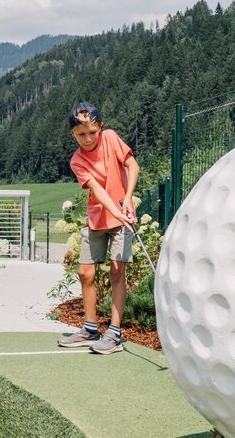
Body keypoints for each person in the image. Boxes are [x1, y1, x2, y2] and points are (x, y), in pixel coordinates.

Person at [58, 102, 139, 354]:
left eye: (92, 132)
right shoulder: (77, 161)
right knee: (85, 273)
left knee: (117, 272)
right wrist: (115, 210)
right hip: (98, 218)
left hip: (122, 217)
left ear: (100, 127)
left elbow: (132, 166)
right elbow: (97, 190)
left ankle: (114, 334)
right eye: (81, 134)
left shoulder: (112, 138)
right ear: (73, 134)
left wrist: (127, 197)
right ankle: (90, 329)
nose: (88, 138)